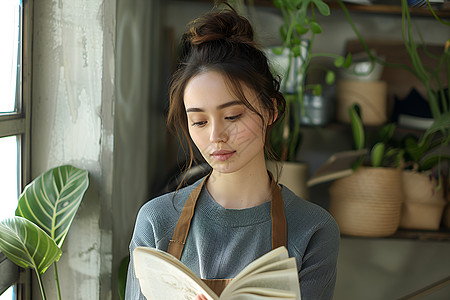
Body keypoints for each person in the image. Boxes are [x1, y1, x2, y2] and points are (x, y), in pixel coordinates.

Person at [125, 3, 340, 300]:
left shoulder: (312, 229)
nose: (216, 136)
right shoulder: (156, 221)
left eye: (233, 116)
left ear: (270, 110)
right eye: (199, 121)